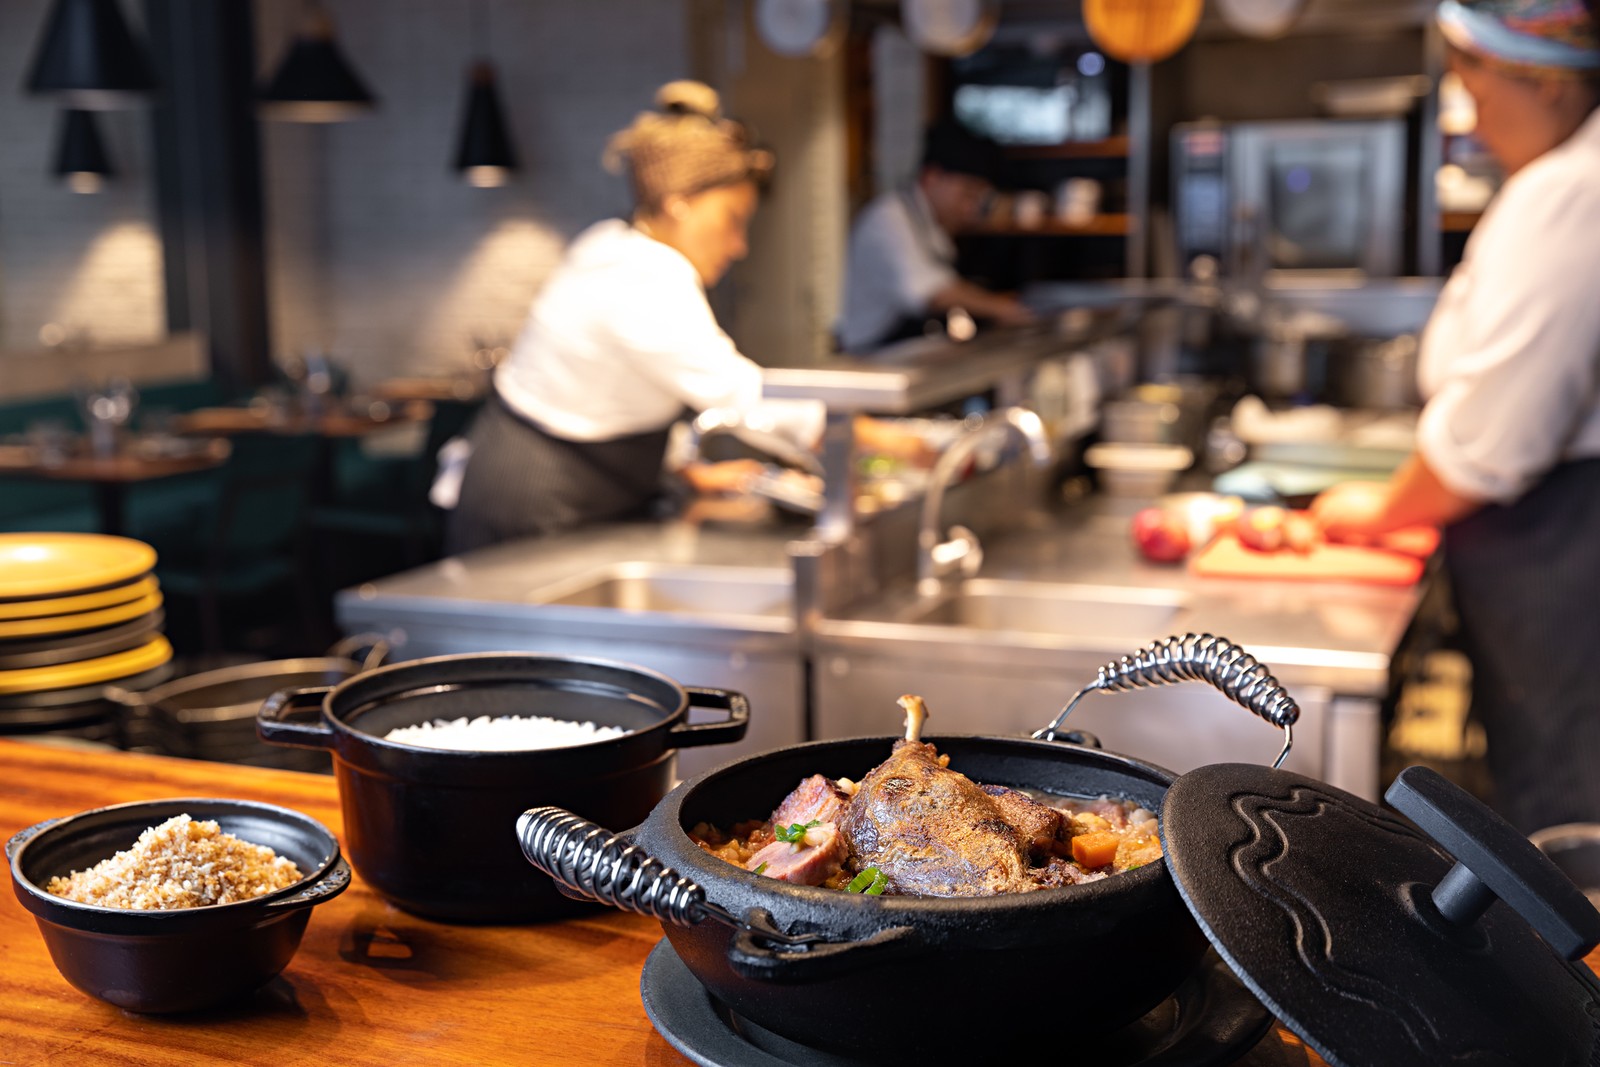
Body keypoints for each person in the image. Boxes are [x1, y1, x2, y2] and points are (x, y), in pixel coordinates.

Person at [1310, 0, 1600, 833]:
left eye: (1474, 85)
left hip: (1560, 560)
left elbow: (1498, 437)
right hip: (1541, 557)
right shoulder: (1559, 181)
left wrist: (1380, 510)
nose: (1468, 121)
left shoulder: (1570, 192)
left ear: (1544, 80)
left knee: (1570, 820)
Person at [446, 82, 821, 554]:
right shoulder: (640, 277)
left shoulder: (613, 242)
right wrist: (876, 441)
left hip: (572, 494)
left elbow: (620, 394)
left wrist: (687, 470)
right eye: (731, 219)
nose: (738, 245)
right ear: (678, 203)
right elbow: (741, 396)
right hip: (533, 504)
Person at [837, 120, 1037, 354]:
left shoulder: (931, 223)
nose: (970, 209)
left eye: (978, 199)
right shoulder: (887, 219)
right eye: (967, 194)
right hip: (869, 358)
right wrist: (1003, 308)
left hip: (906, 355)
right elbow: (930, 293)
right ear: (932, 177)